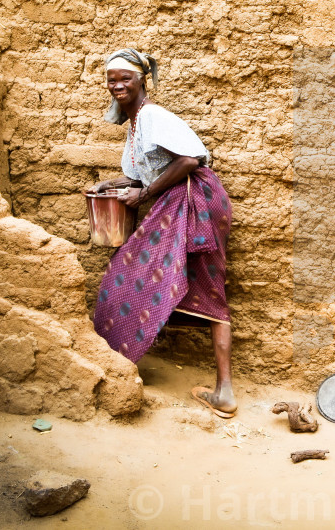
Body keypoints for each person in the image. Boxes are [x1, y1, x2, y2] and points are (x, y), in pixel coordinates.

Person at [87, 48, 238, 417]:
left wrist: (145, 194)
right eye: (112, 79)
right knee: (137, 276)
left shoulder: (153, 115)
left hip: (197, 199)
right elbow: (144, 175)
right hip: (177, 199)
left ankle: (225, 391)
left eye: (125, 77)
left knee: (209, 290)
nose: (118, 84)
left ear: (142, 79)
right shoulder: (136, 123)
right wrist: (111, 184)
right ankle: (120, 363)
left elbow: (189, 160)